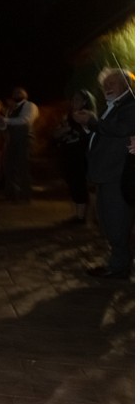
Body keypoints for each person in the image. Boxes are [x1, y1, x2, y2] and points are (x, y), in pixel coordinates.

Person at [74, 68, 135, 279]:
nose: (107, 87)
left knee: (116, 222)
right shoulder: (114, 105)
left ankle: (119, 267)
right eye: (105, 85)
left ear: (126, 85)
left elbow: (122, 129)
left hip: (116, 174)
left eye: (113, 83)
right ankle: (117, 262)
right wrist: (88, 126)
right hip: (106, 174)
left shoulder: (131, 104)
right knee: (108, 220)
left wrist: (92, 121)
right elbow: (105, 133)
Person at [52, 89, 95, 224]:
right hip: (68, 154)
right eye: (73, 99)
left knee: (80, 185)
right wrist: (63, 130)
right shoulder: (68, 116)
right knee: (73, 184)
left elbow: (89, 131)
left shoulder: (87, 115)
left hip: (81, 155)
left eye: (77, 99)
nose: (74, 102)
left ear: (85, 101)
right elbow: (55, 134)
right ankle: (78, 215)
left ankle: (83, 217)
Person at [0, 87, 39, 202]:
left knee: (22, 167)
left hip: (24, 139)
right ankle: (11, 195)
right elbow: (5, 127)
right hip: (12, 140)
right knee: (9, 167)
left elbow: (26, 120)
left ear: (26, 94)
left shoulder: (30, 105)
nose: (17, 93)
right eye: (15, 92)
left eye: (20, 92)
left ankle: (25, 196)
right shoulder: (11, 109)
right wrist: (1, 123)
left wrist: (6, 120)